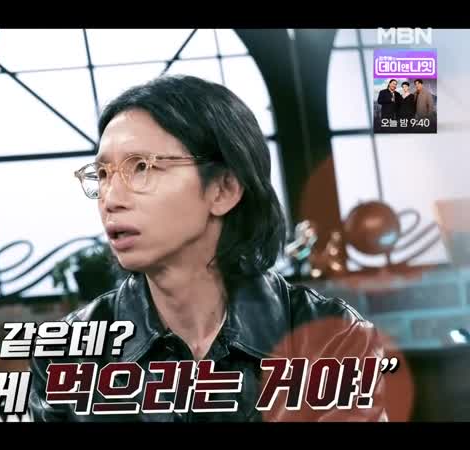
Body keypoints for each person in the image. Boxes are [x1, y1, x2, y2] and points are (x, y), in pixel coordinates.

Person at [28, 75, 390, 422]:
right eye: (103, 174)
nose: (111, 199)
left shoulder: (334, 338)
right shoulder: (68, 354)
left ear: (224, 189)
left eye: (141, 167)